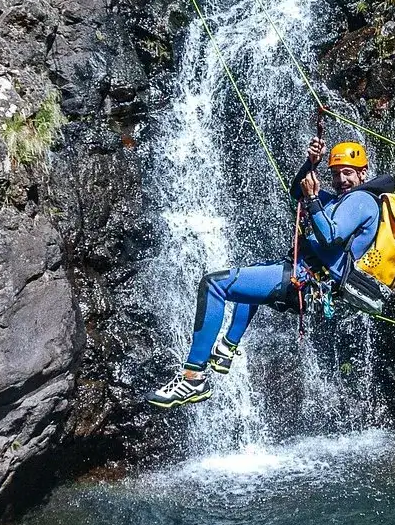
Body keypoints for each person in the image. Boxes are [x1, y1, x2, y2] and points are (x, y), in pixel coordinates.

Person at [147, 137, 383, 409]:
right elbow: (297, 193)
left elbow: (331, 235)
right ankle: (226, 348)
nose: (342, 179)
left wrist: (314, 199)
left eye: (348, 173)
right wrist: (311, 163)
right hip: (303, 278)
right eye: (336, 173)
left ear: (363, 173)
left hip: (305, 282)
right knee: (250, 274)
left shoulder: (362, 200)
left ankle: (192, 377)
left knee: (214, 285)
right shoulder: (338, 200)